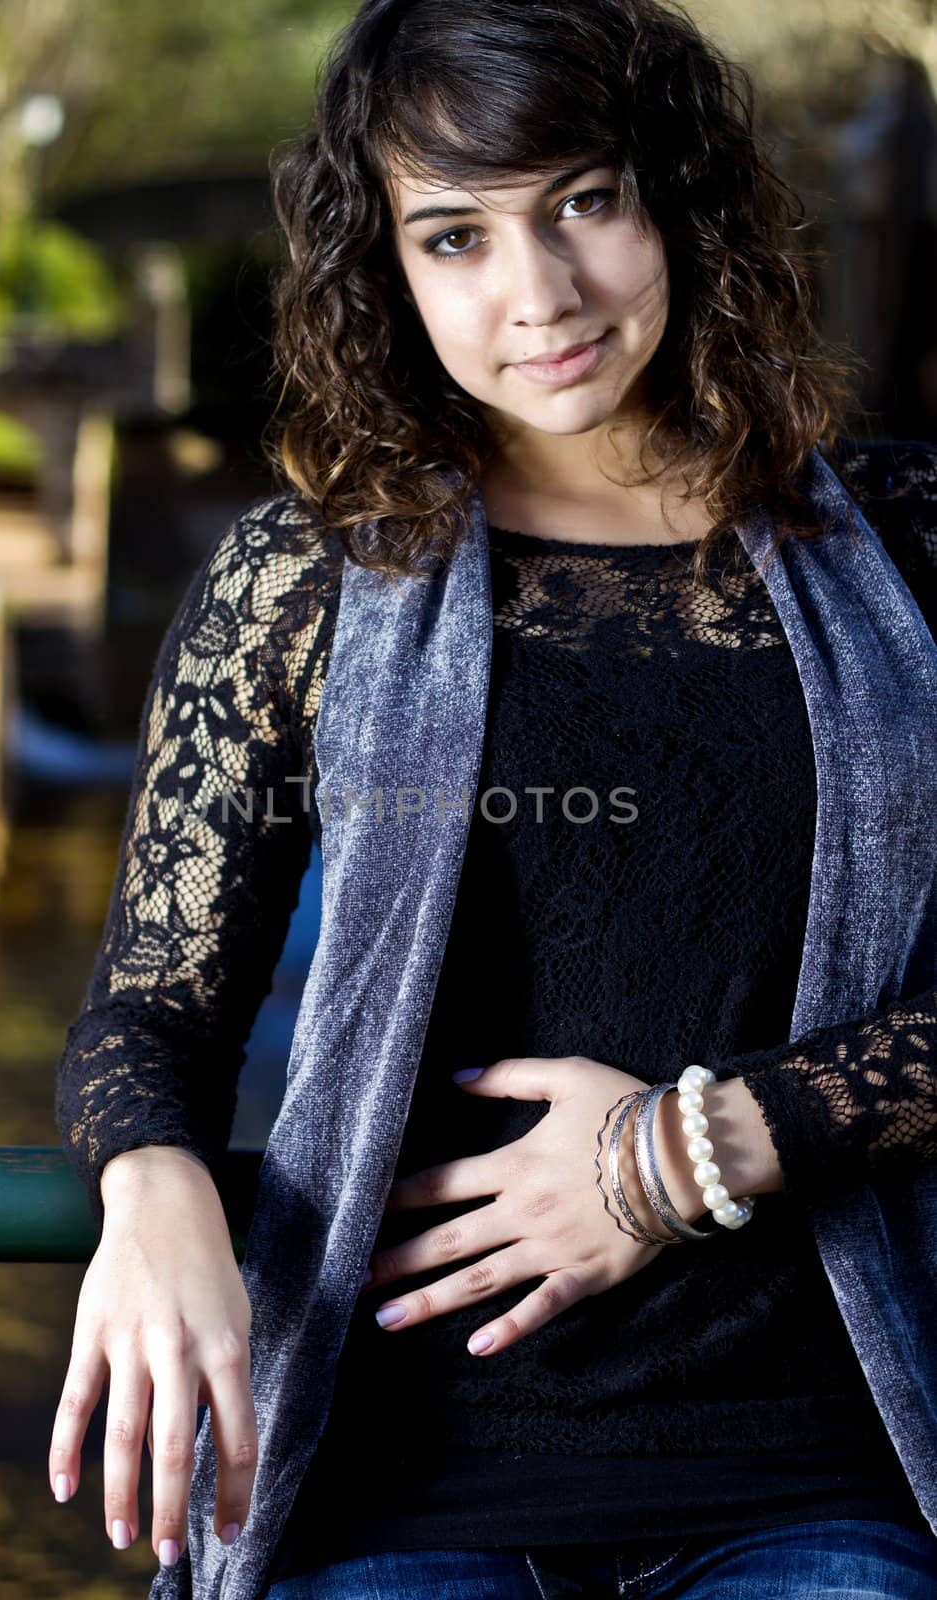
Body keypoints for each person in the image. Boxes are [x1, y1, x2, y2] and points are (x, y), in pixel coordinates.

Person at [50, 1, 937, 1597]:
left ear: (678, 195)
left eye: (584, 203)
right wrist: (157, 1184)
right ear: (386, 269)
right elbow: (154, 1012)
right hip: (401, 1472)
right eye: (454, 236)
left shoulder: (912, 547)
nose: (539, 297)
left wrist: (689, 1153)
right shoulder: (302, 578)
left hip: (810, 1465)